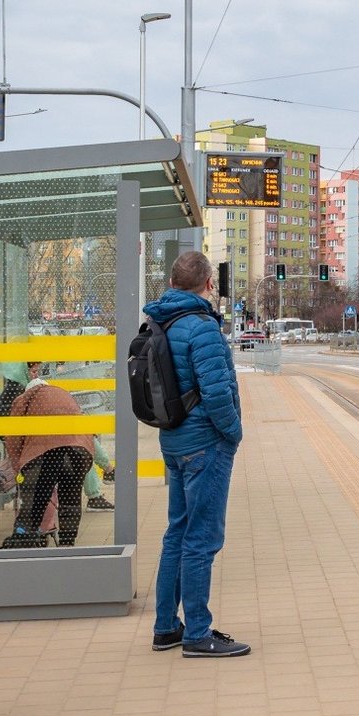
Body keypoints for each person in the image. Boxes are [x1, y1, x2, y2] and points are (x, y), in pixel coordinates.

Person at [145, 251, 250, 658]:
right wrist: (234, 434)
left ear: (173, 283)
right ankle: (197, 634)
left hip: (174, 442)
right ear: (208, 284)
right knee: (201, 539)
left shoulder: (160, 321)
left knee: (177, 533)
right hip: (205, 444)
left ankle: (166, 627)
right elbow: (217, 392)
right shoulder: (201, 327)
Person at [0, 361, 94, 549]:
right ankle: (67, 545)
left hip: (48, 452)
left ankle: (26, 539)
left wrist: (18, 469)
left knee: (36, 497)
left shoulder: (24, 399)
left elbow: (13, 438)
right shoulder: (63, 394)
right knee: (71, 498)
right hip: (79, 451)